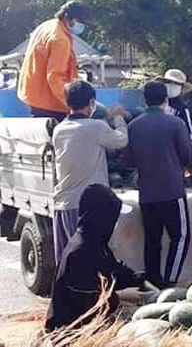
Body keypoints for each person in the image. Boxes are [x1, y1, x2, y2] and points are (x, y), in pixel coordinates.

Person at [45, 184, 146, 332]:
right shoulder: (79, 252)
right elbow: (86, 298)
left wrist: (139, 278)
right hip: (71, 331)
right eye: (113, 218)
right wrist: (120, 296)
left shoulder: (96, 243)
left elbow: (114, 270)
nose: (115, 223)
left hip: (92, 322)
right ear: (102, 218)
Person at [51, 81, 129, 265]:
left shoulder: (59, 129)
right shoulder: (96, 127)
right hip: (87, 207)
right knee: (88, 262)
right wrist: (118, 118)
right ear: (91, 103)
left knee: (67, 262)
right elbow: (121, 141)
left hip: (64, 204)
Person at [124, 81, 192, 289]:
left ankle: (153, 281)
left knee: (152, 240)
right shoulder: (175, 123)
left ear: (144, 100)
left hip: (147, 193)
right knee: (180, 236)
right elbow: (187, 153)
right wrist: (188, 169)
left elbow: (127, 160)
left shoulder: (133, 125)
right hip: (172, 190)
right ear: (165, 100)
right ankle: (169, 281)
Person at [18, 1, 92, 122]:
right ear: (70, 18)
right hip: (51, 103)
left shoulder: (46, 26)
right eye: (81, 22)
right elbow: (55, 77)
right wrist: (73, 104)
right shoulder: (60, 40)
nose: (83, 26)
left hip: (34, 96)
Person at [159, 69, 192, 141]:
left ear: (181, 87)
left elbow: (190, 135)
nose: (171, 85)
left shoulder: (183, 109)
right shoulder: (156, 104)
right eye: (168, 82)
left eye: (176, 83)